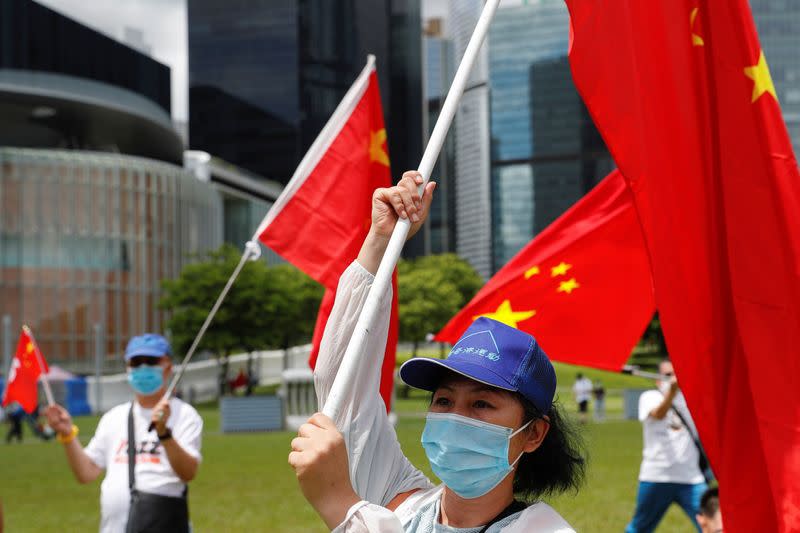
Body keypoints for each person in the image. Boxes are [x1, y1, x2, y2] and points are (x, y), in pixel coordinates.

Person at [288, 172, 586, 532]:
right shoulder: (404, 503)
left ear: (534, 433)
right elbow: (343, 387)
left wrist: (342, 506)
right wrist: (380, 243)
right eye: (444, 401)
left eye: (482, 404)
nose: (455, 418)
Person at [45, 334, 203, 533]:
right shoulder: (114, 417)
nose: (143, 368)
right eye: (136, 362)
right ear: (128, 368)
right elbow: (87, 472)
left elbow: (188, 472)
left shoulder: (185, 415)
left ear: (168, 367)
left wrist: (164, 433)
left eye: (151, 361)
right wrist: (68, 435)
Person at [625, 359, 707, 533]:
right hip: (657, 476)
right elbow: (658, 414)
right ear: (658, 379)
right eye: (668, 375)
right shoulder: (649, 397)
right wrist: (672, 392)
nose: (673, 378)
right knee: (640, 528)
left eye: (676, 374)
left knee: (714, 524)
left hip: (690, 478)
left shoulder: (691, 399)